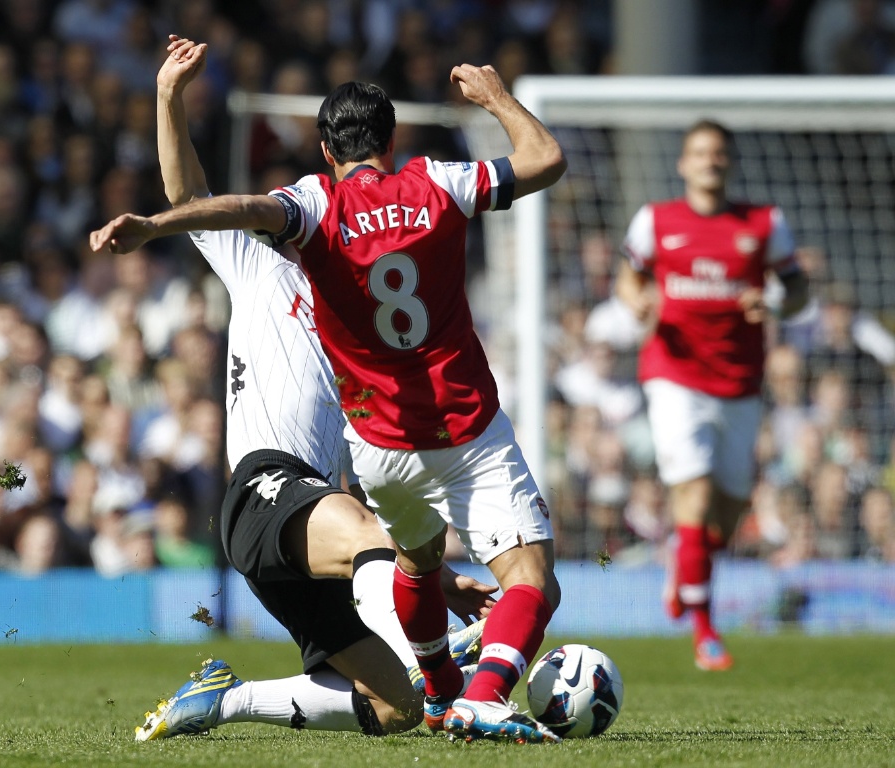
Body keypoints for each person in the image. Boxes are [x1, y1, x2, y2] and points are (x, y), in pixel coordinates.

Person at [92, 38, 568, 745]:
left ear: (325, 152)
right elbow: (196, 199)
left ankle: (227, 699)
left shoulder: (335, 238)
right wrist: (168, 100)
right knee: (387, 543)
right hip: (267, 490)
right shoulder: (257, 262)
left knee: (394, 709)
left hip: (328, 500)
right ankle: (457, 666)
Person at [615, 119, 809, 671]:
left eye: (718, 152)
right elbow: (628, 276)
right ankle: (705, 631)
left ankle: (686, 569)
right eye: (700, 152)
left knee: (727, 510)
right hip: (674, 376)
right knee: (694, 497)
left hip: (740, 382)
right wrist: (637, 302)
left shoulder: (763, 223)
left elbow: (797, 291)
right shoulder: (657, 220)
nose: (709, 161)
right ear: (684, 163)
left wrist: (773, 305)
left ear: (730, 161)